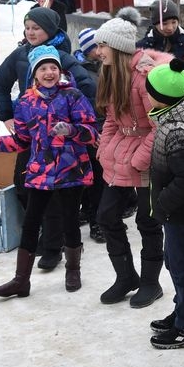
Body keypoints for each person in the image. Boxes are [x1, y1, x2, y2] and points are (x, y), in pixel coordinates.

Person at [0, 45, 99, 297]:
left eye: (53, 67)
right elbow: (21, 141)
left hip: (71, 170)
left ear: (59, 71)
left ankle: (73, 270)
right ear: (34, 73)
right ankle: (21, 280)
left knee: (70, 221)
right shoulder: (25, 102)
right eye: (43, 68)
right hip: (40, 171)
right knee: (31, 223)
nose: (49, 72)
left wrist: (71, 130)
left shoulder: (73, 96)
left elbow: (92, 132)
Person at [0, 7, 96, 271]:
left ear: (49, 29)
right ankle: (48, 235)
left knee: (56, 192)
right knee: (23, 184)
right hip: (33, 135)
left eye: (36, 28)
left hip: (61, 141)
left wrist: (73, 118)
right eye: (27, 27)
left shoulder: (61, 57)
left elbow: (87, 87)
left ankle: (52, 246)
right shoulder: (20, 54)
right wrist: (6, 115)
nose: (31, 32)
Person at [92, 7, 174, 309]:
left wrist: (139, 159)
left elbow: (160, 123)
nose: (98, 51)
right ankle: (126, 276)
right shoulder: (111, 74)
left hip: (147, 157)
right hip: (121, 154)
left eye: (103, 45)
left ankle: (151, 282)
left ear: (118, 48)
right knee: (106, 215)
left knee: (147, 221)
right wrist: (105, 149)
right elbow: (112, 119)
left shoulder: (144, 78)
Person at [145, 60, 184, 349]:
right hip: (173, 211)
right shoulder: (169, 120)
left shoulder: (178, 132)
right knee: (173, 262)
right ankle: (181, 309)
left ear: (162, 97)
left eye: (150, 91)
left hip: (179, 212)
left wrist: (163, 204)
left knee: (181, 267)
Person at [73, 27, 105, 243]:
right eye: (96, 46)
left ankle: (97, 219)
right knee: (88, 176)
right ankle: (92, 218)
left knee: (99, 176)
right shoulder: (78, 70)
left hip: (104, 127)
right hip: (85, 129)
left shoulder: (105, 65)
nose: (100, 50)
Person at [136, 0, 184, 85]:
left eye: (174, 22)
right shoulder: (143, 47)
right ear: (155, 24)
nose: (170, 28)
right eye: (164, 23)